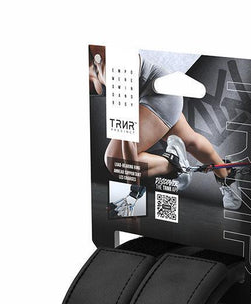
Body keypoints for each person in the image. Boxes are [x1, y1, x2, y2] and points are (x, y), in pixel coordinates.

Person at [90, 48, 241, 210]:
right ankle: (227, 174)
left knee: (115, 160)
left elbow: (128, 139)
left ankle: (174, 164)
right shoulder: (93, 63)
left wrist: (134, 194)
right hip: (160, 93)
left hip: (158, 94)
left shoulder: (107, 63)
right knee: (190, 142)